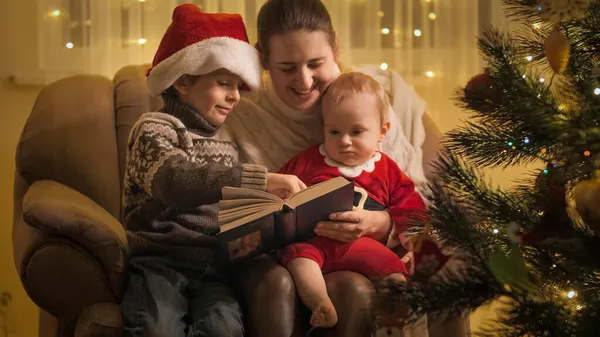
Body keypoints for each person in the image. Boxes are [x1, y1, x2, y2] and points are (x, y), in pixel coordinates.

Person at [224, 1, 468, 336]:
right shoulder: (244, 116)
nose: (304, 81)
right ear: (264, 60)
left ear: (335, 47)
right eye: (287, 68)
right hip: (306, 250)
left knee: (442, 272)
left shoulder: (367, 99)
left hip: (376, 241)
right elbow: (240, 203)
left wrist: (381, 223)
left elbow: (408, 189)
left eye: (316, 63)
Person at [119, 4, 304, 337]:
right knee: (156, 327)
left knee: (224, 327)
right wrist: (260, 179)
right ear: (183, 82)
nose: (235, 96)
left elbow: (230, 205)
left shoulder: (227, 137)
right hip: (160, 262)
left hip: (214, 267)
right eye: (223, 83)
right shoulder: (154, 129)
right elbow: (176, 180)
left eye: (238, 86)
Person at [277, 72, 427, 329]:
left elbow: (411, 207)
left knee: (394, 272)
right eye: (334, 131)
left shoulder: (386, 169)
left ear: (382, 131)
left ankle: (394, 315)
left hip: (361, 245)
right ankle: (320, 303)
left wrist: (410, 246)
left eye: (357, 132)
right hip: (314, 243)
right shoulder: (309, 160)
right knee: (298, 258)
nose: (344, 141)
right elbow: (281, 187)